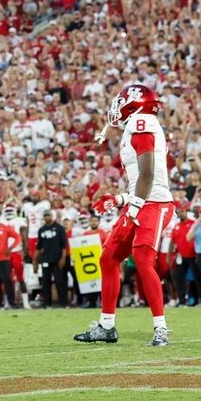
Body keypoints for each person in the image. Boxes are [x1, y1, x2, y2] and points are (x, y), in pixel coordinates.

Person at [75, 85, 174, 346]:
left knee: (143, 259)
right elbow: (143, 179)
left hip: (155, 204)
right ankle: (106, 326)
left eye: (122, 100)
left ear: (136, 103)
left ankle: (160, 328)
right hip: (142, 200)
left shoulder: (142, 122)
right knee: (109, 258)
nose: (117, 106)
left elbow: (150, 175)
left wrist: (130, 210)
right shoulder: (137, 125)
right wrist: (120, 199)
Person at [34, 210, 67, 308]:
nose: (46, 217)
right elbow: (38, 247)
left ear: (52, 216)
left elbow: (64, 245)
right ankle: (47, 303)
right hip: (45, 259)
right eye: (45, 216)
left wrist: (63, 258)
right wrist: (35, 260)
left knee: (60, 282)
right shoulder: (41, 230)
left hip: (57, 259)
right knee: (45, 282)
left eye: (48, 215)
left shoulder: (59, 228)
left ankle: (62, 303)